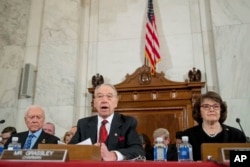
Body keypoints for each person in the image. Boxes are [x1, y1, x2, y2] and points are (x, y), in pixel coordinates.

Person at [69, 83, 145, 161]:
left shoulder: (127, 122)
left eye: (109, 96)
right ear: (94, 103)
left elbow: (138, 150)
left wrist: (113, 155)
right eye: (100, 96)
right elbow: (70, 150)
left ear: (116, 102)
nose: (104, 100)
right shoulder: (83, 124)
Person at [182, 91, 246, 161]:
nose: (211, 109)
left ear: (221, 111)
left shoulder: (236, 135)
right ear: (199, 111)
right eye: (206, 106)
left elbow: (242, 160)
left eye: (216, 106)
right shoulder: (188, 135)